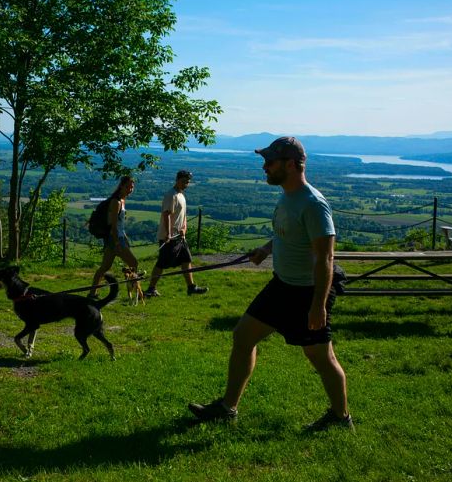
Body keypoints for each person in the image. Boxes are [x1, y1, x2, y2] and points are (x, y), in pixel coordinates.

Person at [187, 136, 353, 431]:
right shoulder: (288, 196)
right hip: (281, 286)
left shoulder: (313, 204)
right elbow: (286, 234)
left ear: (291, 164)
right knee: (242, 337)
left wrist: (318, 306)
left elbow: (325, 258)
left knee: (321, 357)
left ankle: (341, 419)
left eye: (270, 162)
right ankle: (228, 407)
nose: (264, 167)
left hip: (306, 293)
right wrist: (266, 249)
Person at [144, 170, 208, 298]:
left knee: (186, 259)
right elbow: (166, 215)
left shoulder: (181, 195)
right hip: (169, 237)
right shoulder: (171, 195)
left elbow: (182, 216)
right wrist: (168, 234)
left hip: (179, 236)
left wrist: (184, 228)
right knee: (161, 263)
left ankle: (191, 287)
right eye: (183, 181)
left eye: (188, 182)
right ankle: (151, 289)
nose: (186, 184)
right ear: (177, 180)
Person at [89, 176, 141, 298]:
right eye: (128, 186)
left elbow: (120, 224)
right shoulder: (116, 202)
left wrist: (125, 238)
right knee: (133, 263)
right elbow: (112, 224)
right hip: (115, 239)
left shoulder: (121, 200)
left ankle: (92, 293)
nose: (130, 189)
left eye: (132, 186)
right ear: (121, 186)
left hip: (118, 238)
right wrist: (117, 243)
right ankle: (133, 291)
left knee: (105, 267)